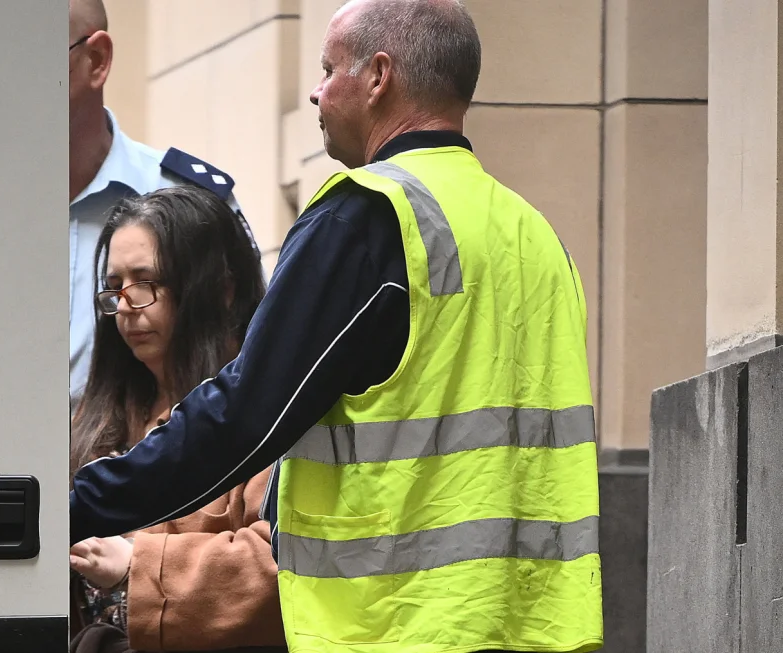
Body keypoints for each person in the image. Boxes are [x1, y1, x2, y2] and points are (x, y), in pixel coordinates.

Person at [68, 1, 604, 652]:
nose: (316, 92)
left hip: (398, 627)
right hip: (535, 628)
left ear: (378, 76)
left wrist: (81, 504)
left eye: (327, 69)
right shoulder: (538, 238)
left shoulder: (365, 217)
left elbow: (246, 414)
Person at [67, 186, 286, 653]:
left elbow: (284, 562)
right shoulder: (96, 415)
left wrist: (138, 567)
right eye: (115, 287)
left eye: (145, 283)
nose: (126, 306)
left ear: (223, 290)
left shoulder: (271, 416)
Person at [68, 0, 259, 411]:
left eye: (145, 282)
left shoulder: (192, 200)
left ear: (95, 59)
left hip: (178, 443)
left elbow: (249, 355)